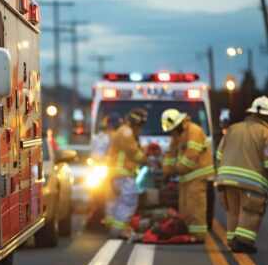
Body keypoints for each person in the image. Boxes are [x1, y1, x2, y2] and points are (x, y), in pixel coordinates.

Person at [216, 96, 268, 254]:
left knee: (234, 210)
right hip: (252, 181)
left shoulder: (233, 128)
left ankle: (232, 240)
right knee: (251, 211)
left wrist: (221, 174)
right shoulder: (266, 133)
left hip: (226, 179)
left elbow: (219, 154)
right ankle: (244, 243)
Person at [161, 109, 214, 243]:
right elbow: (170, 154)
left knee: (195, 208)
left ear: (179, 124)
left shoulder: (194, 131)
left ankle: (199, 236)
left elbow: (191, 155)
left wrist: (176, 170)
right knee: (184, 208)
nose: (172, 133)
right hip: (186, 178)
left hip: (197, 176)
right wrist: (167, 171)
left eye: (173, 129)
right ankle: (187, 233)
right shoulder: (177, 135)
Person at [107, 108, 148, 239]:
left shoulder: (125, 131)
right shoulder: (126, 131)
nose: (140, 129)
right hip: (123, 173)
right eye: (140, 126)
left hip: (120, 174)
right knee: (128, 202)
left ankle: (119, 228)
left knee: (121, 202)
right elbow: (134, 152)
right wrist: (147, 160)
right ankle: (119, 231)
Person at [86, 113, 122, 229]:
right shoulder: (100, 138)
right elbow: (95, 155)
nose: (112, 129)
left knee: (120, 198)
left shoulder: (121, 137)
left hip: (117, 172)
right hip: (103, 171)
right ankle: (105, 222)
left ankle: (115, 222)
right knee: (99, 196)